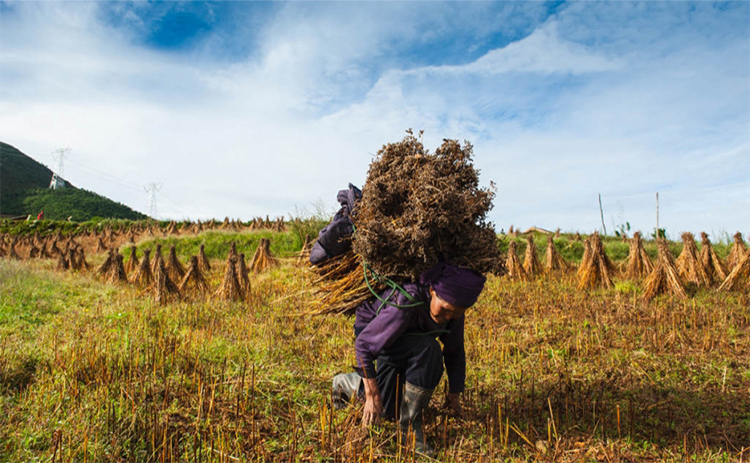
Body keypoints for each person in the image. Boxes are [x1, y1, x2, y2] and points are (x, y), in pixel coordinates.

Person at [332, 262, 486, 455]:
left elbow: (454, 350)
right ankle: (356, 386)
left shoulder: (453, 310)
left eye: (456, 313)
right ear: (432, 290)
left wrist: (454, 393)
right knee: (427, 351)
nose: (449, 316)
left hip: (411, 341)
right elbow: (364, 344)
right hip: (381, 335)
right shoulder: (406, 302)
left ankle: (404, 424)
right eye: (445, 309)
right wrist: (372, 393)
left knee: (391, 408)